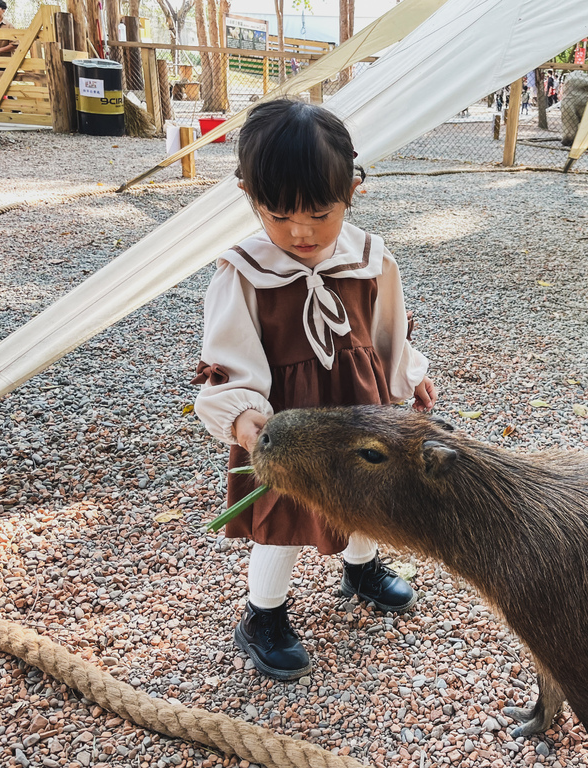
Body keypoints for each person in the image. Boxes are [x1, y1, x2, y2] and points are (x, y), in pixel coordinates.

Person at [192, 99, 437, 682]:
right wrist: (244, 416)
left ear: (352, 190)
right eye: (277, 215)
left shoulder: (372, 259)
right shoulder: (242, 272)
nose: (299, 231)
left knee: (365, 493)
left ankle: (361, 568)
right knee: (287, 516)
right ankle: (263, 614)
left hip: (359, 408)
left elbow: (388, 331)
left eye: (318, 214)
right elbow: (229, 355)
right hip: (288, 423)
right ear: (250, 197)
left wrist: (408, 375)